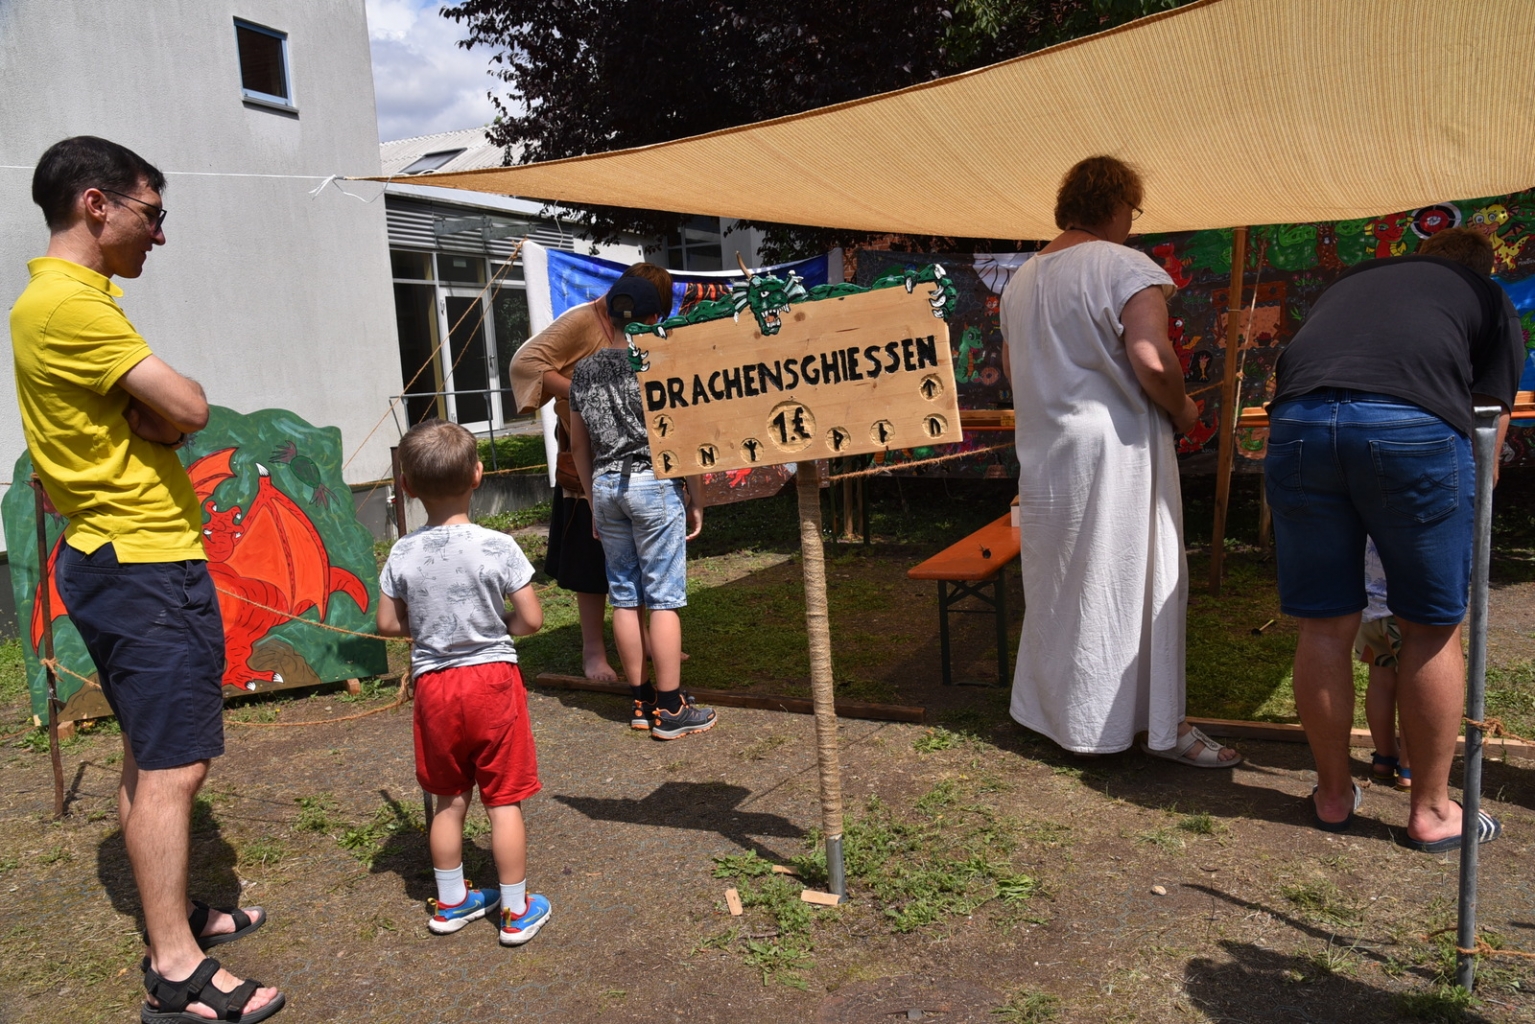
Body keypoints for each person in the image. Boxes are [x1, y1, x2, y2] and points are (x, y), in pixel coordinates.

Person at [10, 137, 283, 1021]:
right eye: (151, 213)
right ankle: (175, 968)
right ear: (98, 205)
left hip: (122, 555)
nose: (158, 236)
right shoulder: (72, 309)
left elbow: (161, 418)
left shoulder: (67, 302)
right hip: (138, 561)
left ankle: (179, 917)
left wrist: (158, 418)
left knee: (147, 752)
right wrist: (165, 416)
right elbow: (190, 409)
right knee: (175, 767)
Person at [1265, 226, 1522, 849]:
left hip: (1297, 423)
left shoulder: (1353, 280)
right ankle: (1432, 812)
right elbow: (1488, 420)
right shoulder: (1486, 297)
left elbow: (1295, 365)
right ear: (1482, 268)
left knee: (1324, 624)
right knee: (1432, 626)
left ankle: (1332, 796)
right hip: (1410, 428)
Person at [1000, 155, 1240, 768]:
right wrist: (1185, 409)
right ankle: (1161, 727)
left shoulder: (1023, 279)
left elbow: (1012, 372)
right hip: (1115, 453)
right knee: (1139, 581)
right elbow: (1151, 357)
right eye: (1132, 210)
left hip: (1047, 453)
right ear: (1115, 206)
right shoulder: (1124, 265)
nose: (1133, 222)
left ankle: (1062, 716)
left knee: (1062, 588)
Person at [376, 420, 552, 945]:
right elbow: (532, 618)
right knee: (504, 800)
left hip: (435, 687)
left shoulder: (403, 552)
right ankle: (517, 911)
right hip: (493, 682)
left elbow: (387, 624)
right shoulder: (498, 546)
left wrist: (428, 629)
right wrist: (501, 629)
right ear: (478, 474)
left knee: (449, 800)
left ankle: (451, 902)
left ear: (406, 485)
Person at [510, 263, 675, 684]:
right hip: (589, 468)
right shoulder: (584, 320)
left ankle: (645, 641)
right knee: (592, 566)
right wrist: (586, 393)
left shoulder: (633, 330)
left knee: (636, 561)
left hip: (634, 464)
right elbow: (525, 364)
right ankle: (593, 652)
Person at [567, 275, 715, 739]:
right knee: (664, 598)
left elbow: (578, 444)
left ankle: (641, 701)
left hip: (606, 486)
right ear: (656, 317)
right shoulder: (663, 361)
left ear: (608, 315)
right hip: (655, 483)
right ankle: (671, 710)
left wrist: (593, 501)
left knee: (625, 597)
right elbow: (683, 437)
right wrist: (697, 498)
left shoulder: (584, 370)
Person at [1358, 538, 1411, 790]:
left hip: (1368, 609)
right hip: (1406, 611)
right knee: (1414, 684)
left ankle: (1384, 757)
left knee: (1379, 680)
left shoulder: (1365, 502)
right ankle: (1410, 765)